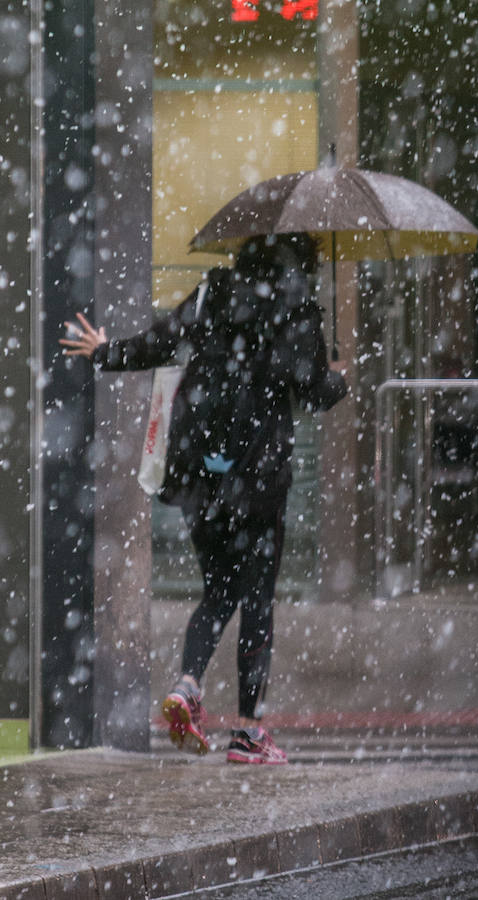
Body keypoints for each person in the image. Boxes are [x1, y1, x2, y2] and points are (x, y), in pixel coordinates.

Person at [60, 232, 347, 764]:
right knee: (257, 599)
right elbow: (313, 391)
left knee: (218, 590)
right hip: (259, 479)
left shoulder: (214, 289)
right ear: (301, 265)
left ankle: (189, 684)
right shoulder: (299, 310)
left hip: (198, 468)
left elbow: (159, 343)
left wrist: (105, 352)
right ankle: (249, 732)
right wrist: (338, 379)